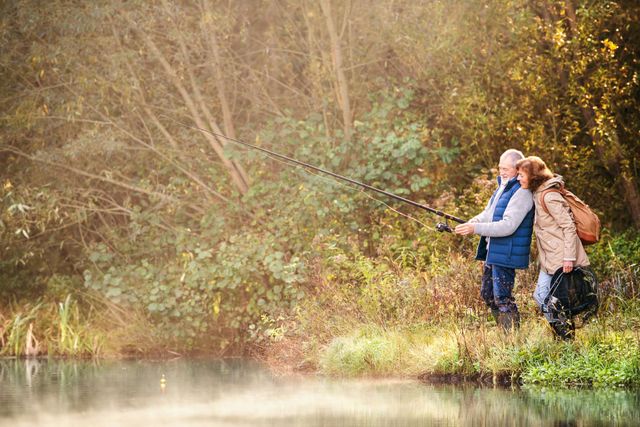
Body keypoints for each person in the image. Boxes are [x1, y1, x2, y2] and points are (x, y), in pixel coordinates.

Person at [455, 149, 534, 331]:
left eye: (506, 169)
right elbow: (489, 213)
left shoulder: (522, 192)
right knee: (488, 295)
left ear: (518, 168)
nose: (501, 172)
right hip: (494, 250)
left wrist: (475, 229)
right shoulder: (503, 187)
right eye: (500, 168)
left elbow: (508, 226)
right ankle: (504, 333)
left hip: (506, 252)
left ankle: (512, 339)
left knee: (502, 298)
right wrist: (473, 222)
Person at [515, 156, 589, 340]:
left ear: (532, 176)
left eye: (521, 175)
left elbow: (568, 227)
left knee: (548, 297)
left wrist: (569, 258)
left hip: (561, 258)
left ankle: (567, 339)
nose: (518, 178)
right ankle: (565, 337)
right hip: (550, 259)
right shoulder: (538, 192)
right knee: (544, 297)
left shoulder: (549, 195)